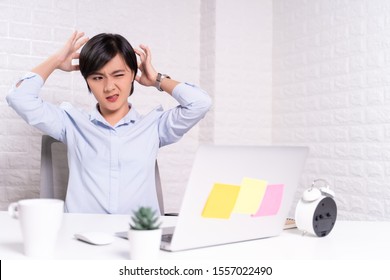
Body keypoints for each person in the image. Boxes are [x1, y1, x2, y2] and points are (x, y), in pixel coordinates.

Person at [6, 31, 212, 214]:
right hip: (80, 236)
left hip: (136, 237)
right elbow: (19, 98)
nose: (109, 87)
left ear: (133, 74)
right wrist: (56, 61)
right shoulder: (70, 123)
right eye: (97, 78)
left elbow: (200, 103)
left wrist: (157, 79)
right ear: (87, 80)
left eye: (118, 75)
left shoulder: (155, 126)